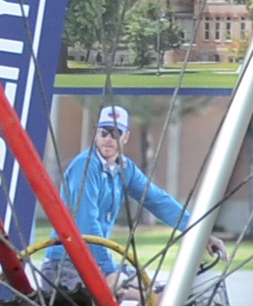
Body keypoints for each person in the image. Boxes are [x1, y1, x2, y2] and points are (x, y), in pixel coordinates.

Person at [55, 101, 191, 248]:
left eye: (115, 133)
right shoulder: (85, 166)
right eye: (103, 132)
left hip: (92, 259)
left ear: (125, 137)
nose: (108, 138)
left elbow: (157, 201)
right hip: (67, 260)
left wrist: (197, 231)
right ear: (96, 134)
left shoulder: (125, 168)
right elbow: (86, 224)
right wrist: (108, 268)